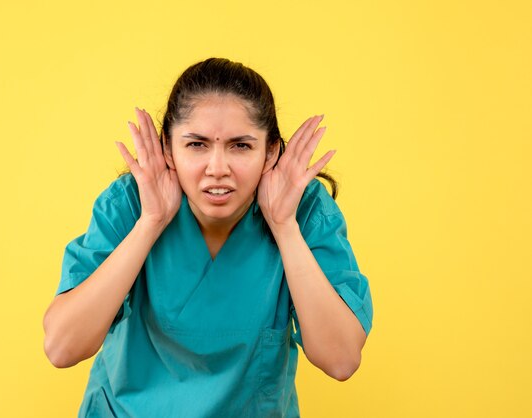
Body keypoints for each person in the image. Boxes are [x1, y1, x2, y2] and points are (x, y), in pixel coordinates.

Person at [43, 57, 374, 417]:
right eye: (197, 145)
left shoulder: (303, 210)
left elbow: (341, 360)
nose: (217, 169)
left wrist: (284, 226)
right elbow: (62, 347)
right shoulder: (132, 202)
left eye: (241, 146)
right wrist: (151, 222)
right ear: (168, 149)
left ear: (271, 152)